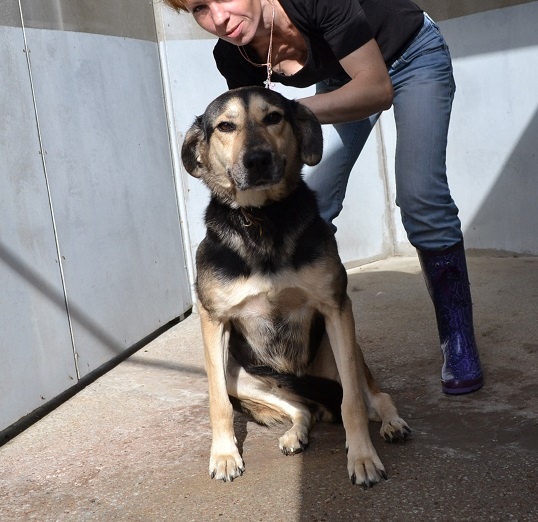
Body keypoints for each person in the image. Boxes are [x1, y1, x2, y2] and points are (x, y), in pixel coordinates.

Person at [165, 0, 484, 395]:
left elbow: (376, 88)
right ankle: (312, 339)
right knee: (315, 197)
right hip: (340, 77)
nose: (218, 18)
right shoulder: (233, 53)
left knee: (421, 196)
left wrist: (288, 113)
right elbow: (250, 128)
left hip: (412, 55)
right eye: (199, 8)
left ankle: (457, 339)